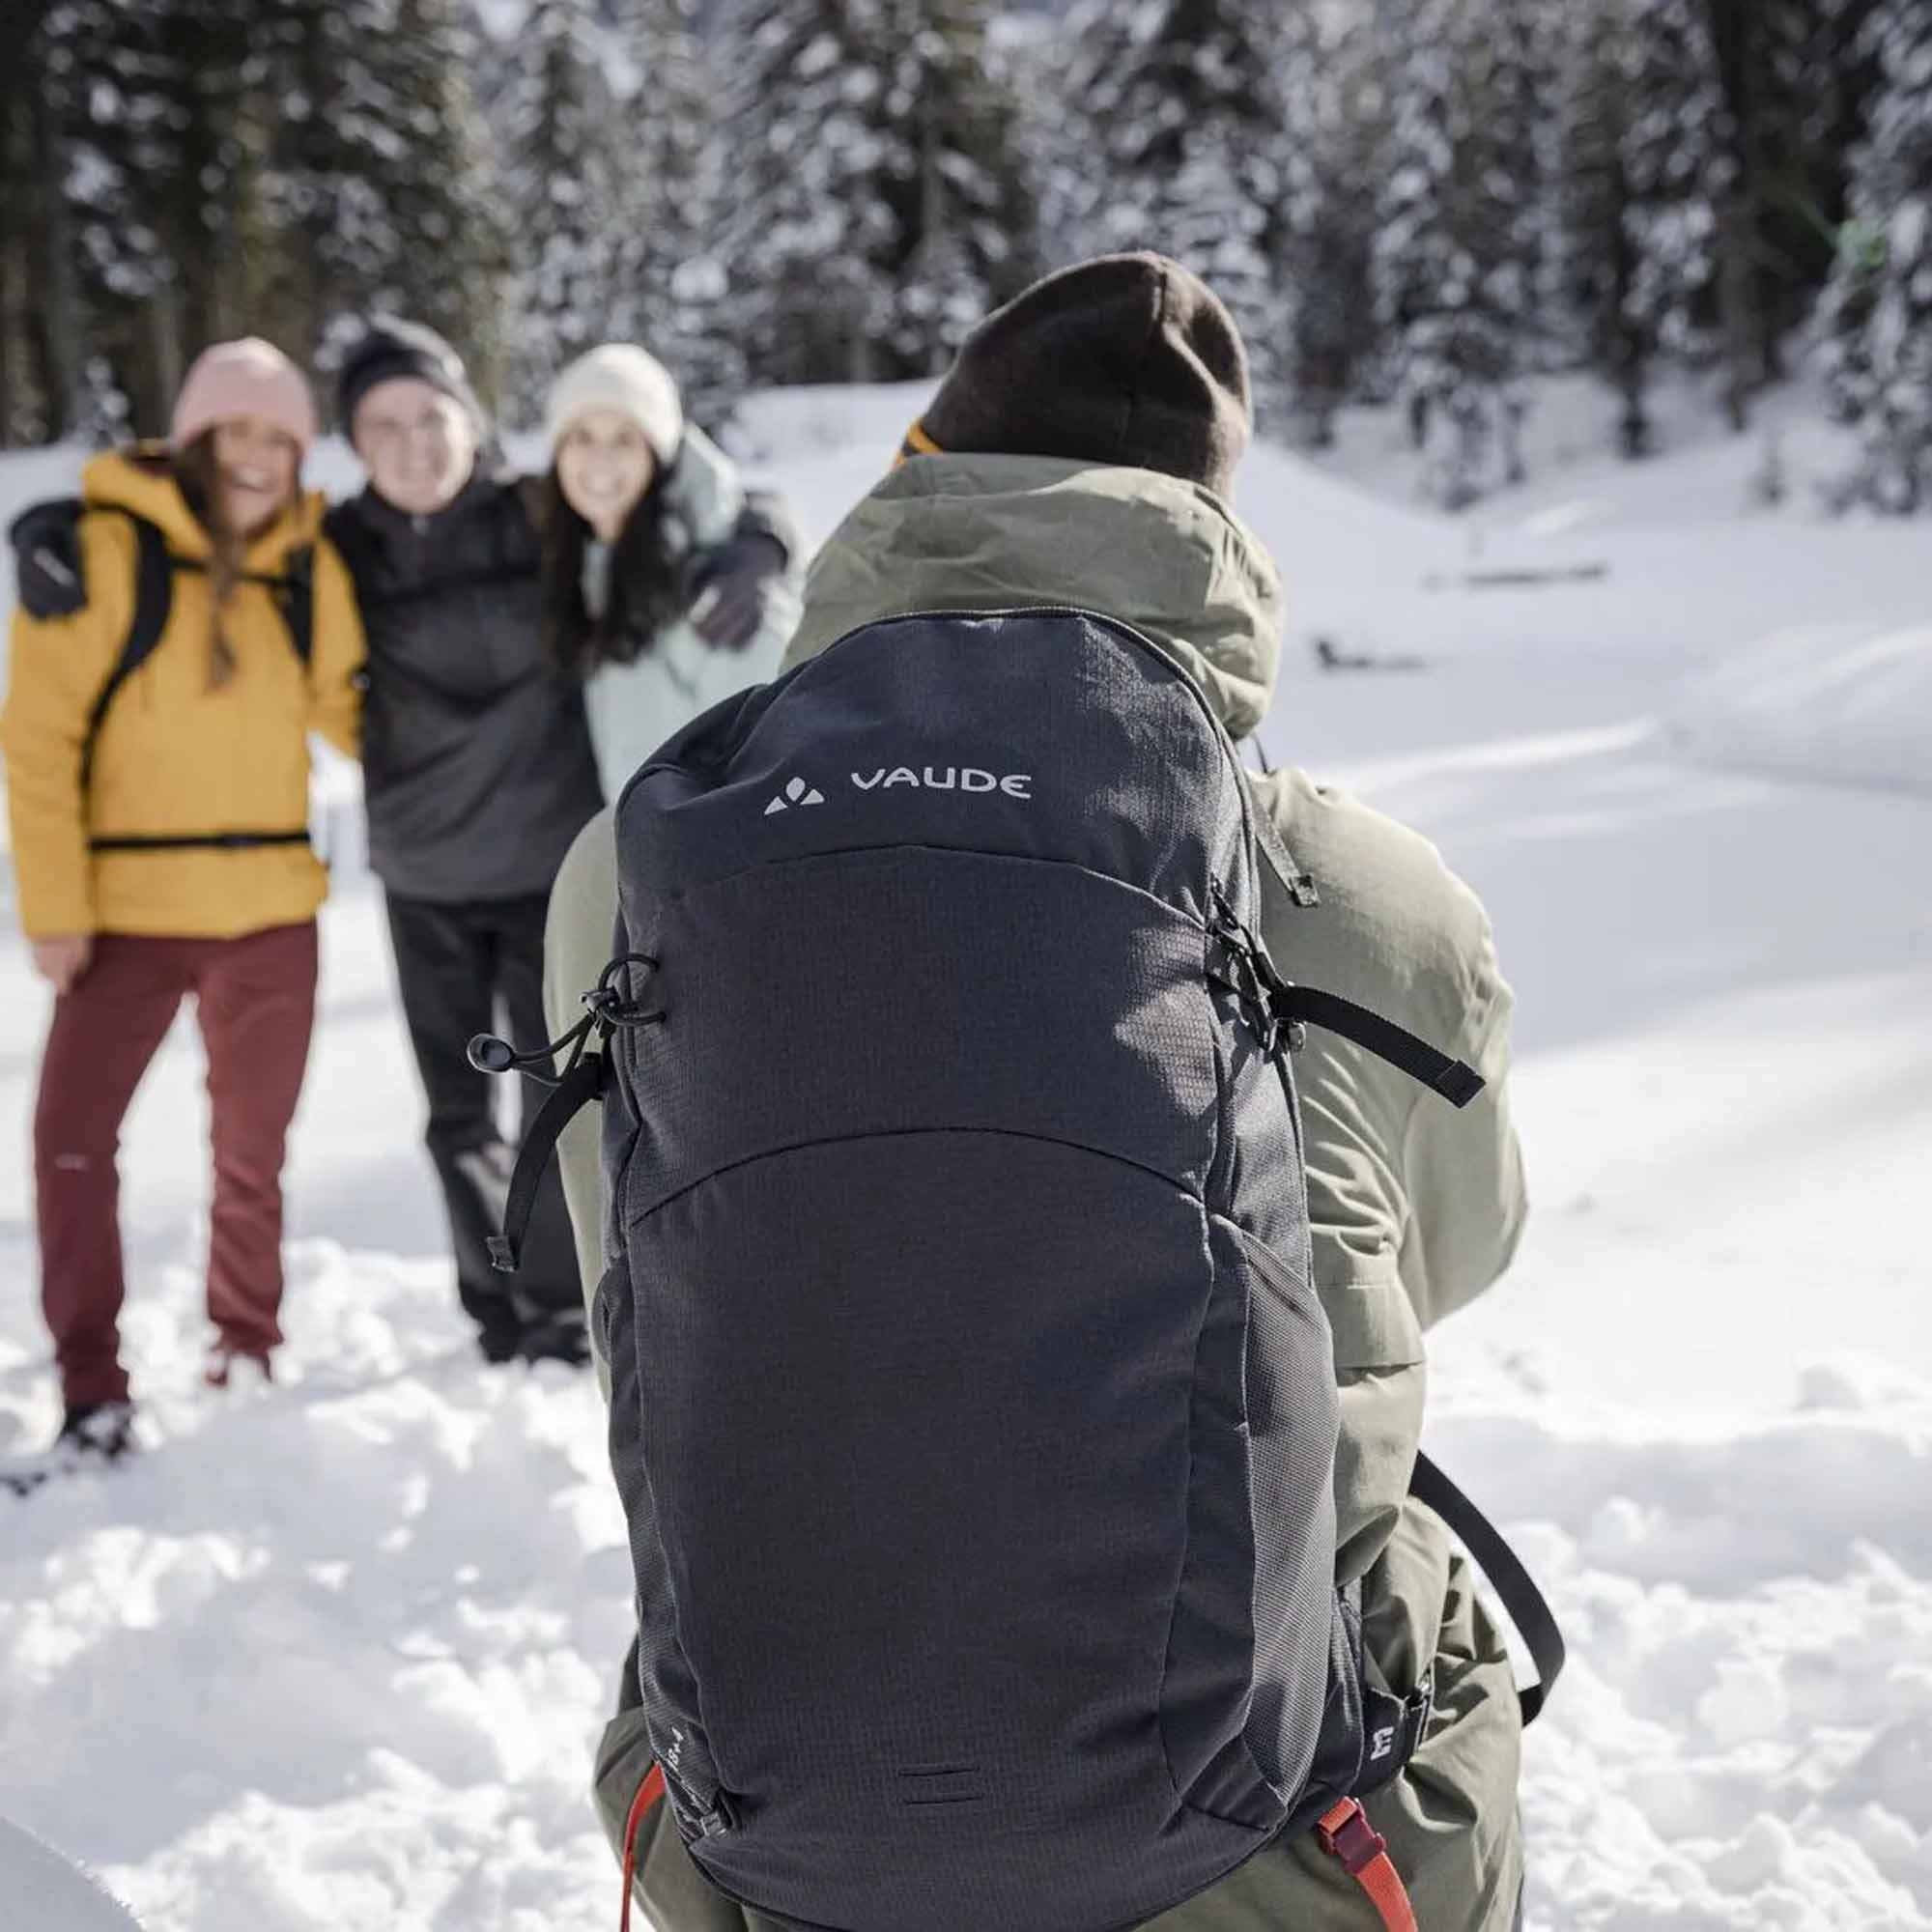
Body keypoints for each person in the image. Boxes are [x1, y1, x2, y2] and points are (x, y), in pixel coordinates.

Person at [548, 256, 1532, 1929]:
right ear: (1209, 533)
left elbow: (619, 1275)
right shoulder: (1371, 891)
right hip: (1273, 1834)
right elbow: (1468, 1247)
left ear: (914, 481)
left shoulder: (646, 867)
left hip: (787, 1831)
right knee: (1411, 1582)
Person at [322, 320, 798, 1367]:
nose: (411, 446)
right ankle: (495, 1302)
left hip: (550, 860)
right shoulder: (337, 543)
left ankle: (559, 1303)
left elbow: (667, 485)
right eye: (379, 426)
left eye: (429, 416)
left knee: (559, 1095)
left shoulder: (532, 512)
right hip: (422, 868)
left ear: (472, 420)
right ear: (351, 443)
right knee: (456, 1113)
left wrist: (762, 538)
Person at [1, 338, 364, 1463]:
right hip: (122, 914)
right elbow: (38, 740)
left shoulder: (306, 566)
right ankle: (91, 1383)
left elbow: (355, 713)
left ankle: (245, 1341)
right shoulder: (100, 551)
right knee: (70, 1144)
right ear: (194, 439)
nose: (256, 456)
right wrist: (53, 907)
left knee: (252, 1151)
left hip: (269, 913)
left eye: (279, 438)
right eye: (235, 432)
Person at [541, 342, 801, 800]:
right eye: (581, 437)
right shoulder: (585, 557)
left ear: (658, 456)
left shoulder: (717, 583)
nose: (600, 460)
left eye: (625, 439)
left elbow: (770, 769)